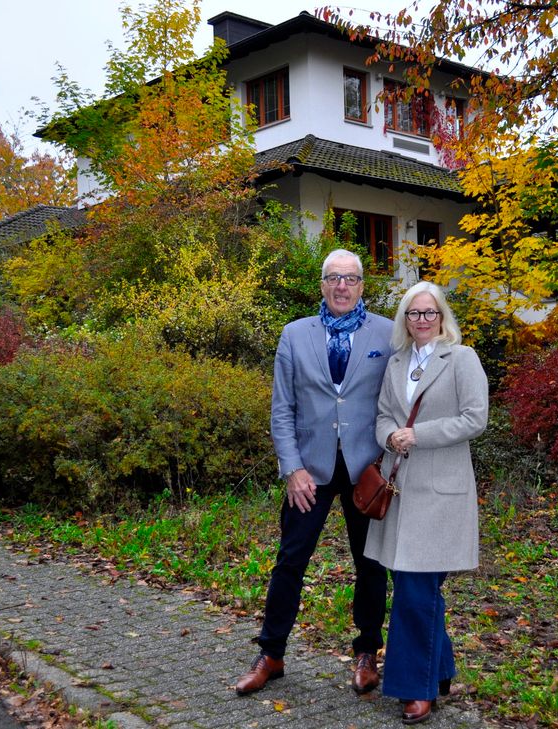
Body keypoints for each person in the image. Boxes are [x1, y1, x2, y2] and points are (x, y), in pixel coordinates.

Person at [235, 249, 393, 696]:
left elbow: (400, 397)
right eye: (333, 278)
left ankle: (367, 652)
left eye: (351, 279)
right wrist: (292, 468)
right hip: (311, 471)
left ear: (363, 285)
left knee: (371, 564)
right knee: (290, 562)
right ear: (322, 285)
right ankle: (272, 654)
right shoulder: (294, 334)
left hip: (367, 469)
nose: (342, 286)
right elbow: (282, 408)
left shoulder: (386, 332)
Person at [364, 281, 489, 725]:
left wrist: (418, 434)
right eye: (413, 313)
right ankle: (440, 672)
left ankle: (415, 688)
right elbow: (381, 415)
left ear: (441, 317)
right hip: (400, 495)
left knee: (415, 593)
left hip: (441, 496)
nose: (421, 320)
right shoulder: (396, 361)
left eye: (429, 313)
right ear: (404, 319)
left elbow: (476, 418)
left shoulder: (462, 358)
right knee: (419, 590)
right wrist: (389, 436)